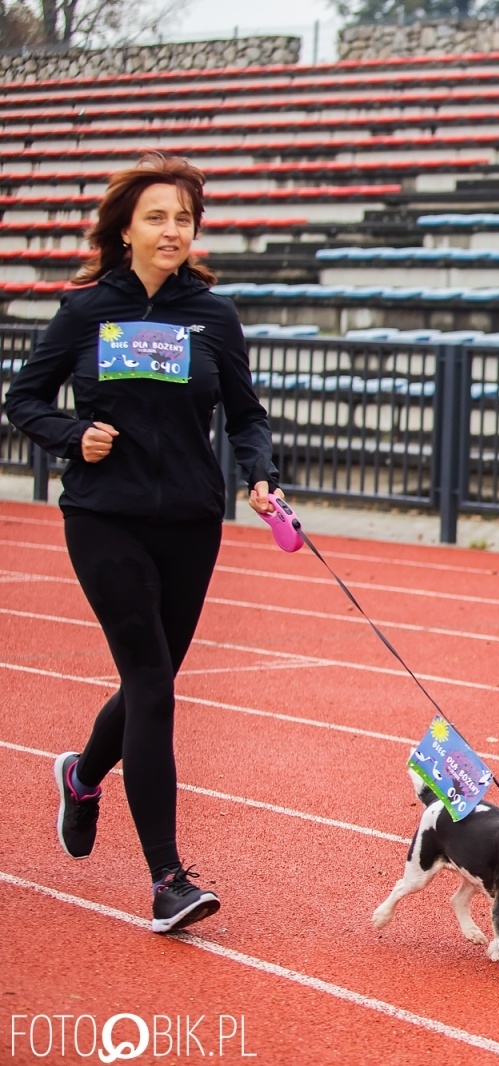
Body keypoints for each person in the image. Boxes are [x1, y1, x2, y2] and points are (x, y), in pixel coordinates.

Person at [4, 151, 281, 934]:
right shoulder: (86, 308)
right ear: (125, 229)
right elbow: (24, 397)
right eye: (156, 217)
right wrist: (71, 435)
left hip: (192, 520)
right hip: (105, 516)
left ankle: (83, 774)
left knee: (147, 685)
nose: (171, 230)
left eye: (183, 219)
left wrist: (259, 474)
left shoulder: (213, 317)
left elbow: (246, 414)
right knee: (154, 682)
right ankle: (168, 879)